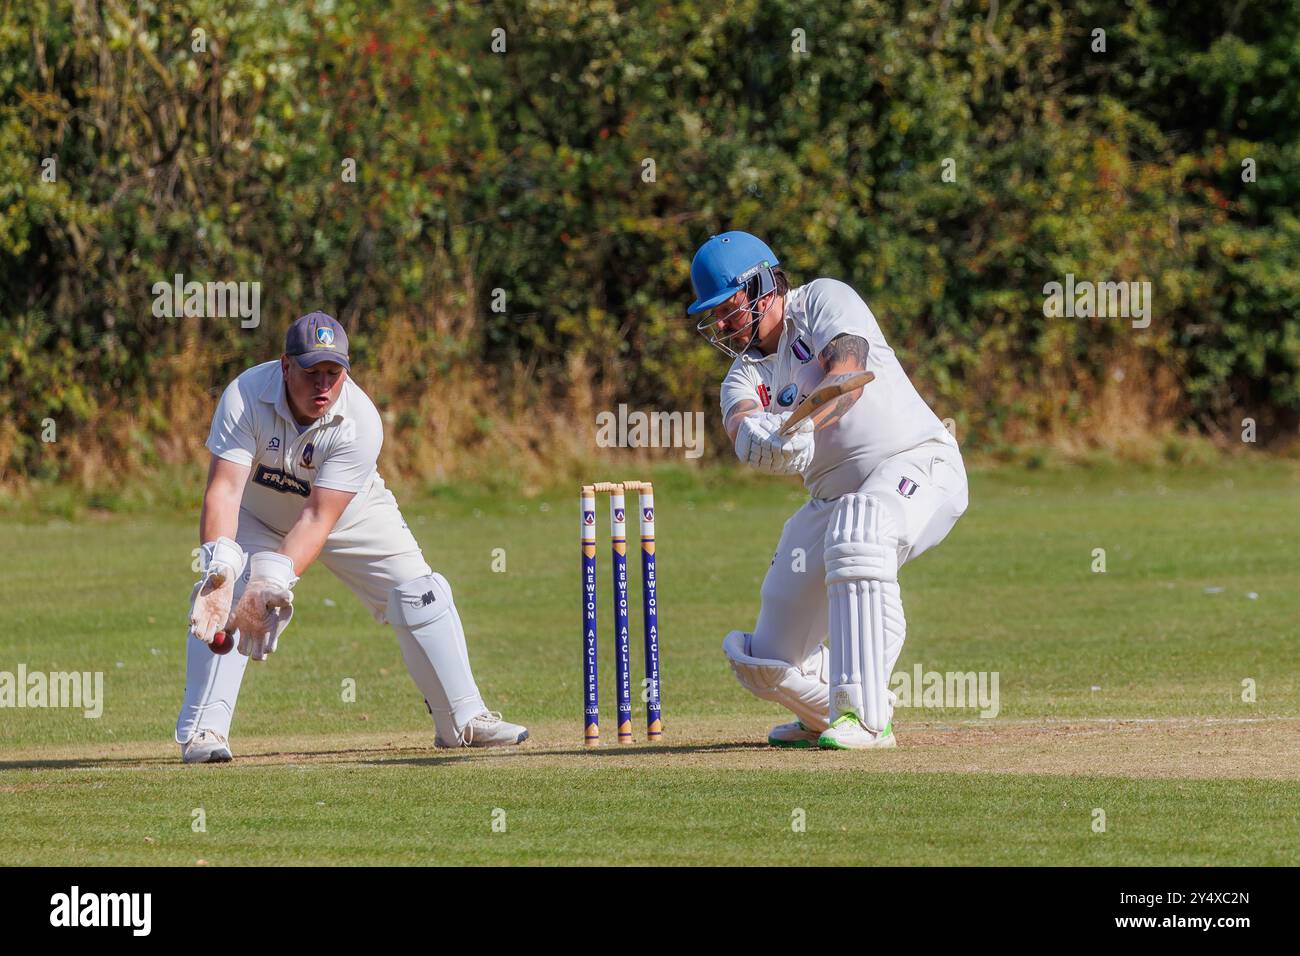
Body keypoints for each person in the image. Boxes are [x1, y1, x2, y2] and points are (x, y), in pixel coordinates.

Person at [177, 311, 527, 762]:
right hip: (256, 515)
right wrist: (222, 566)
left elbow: (318, 518)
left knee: (422, 593)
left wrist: (274, 580)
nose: (323, 385)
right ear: (285, 365)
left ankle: (463, 720)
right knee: (227, 594)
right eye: (311, 372)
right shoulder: (245, 395)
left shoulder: (360, 420)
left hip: (349, 514)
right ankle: (204, 732)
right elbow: (224, 490)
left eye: (333, 373)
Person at [688, 232, 969, 749]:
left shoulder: (822, 300)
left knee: (860, 532)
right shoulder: (743, 375)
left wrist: (801, 425)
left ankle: (865, 717)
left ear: (763, 287)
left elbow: (848, 374)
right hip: (832, 500)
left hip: (918, 463)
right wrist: (757, 439)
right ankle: (823, 712)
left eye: (728, 310)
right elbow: (741, 423)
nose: (723, 326)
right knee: (766, 662)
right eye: (715, 318)